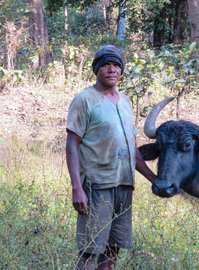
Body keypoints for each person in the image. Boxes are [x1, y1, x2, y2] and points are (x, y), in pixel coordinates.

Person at [66, 44, 156, 270]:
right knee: (90, 250)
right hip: (98, 186)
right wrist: (77, 188)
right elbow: (72, 145)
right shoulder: (84, 100)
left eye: (116, 65)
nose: (111, 69)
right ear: (96, 69)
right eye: (106, 64)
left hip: (124, 186)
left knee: (112, 250)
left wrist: (155, 179)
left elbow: (131, 149)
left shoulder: (125, 102)